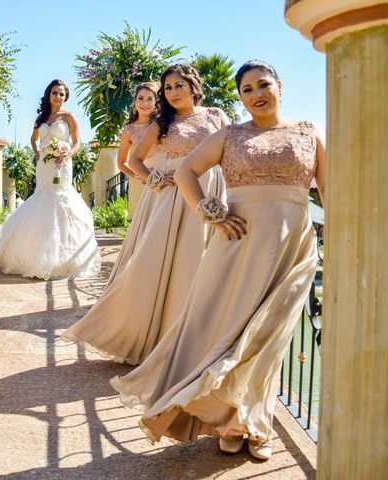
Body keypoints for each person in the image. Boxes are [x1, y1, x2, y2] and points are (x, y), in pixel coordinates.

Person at [111, 60, 326, 461]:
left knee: (268, 338)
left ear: (280, 86)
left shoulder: (309, 132)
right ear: (240, 96)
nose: (256, 95)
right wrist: (210, 212)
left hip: (293, 248)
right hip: (236, 244)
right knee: (229, 333)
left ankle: (255, 422)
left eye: (263, 85)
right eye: (246, 90)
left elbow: (331, 194)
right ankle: (233, 423)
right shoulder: (230, 135)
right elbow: (186, 172)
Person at [62, 65, 228, 365]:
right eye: (168, 88)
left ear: (193, 85)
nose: (174, 92)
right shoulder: (161, 123)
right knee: (178, 263)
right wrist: (155, 179)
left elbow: (230, 152)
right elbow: (135, 160)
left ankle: (203, 337)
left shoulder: (216, 115)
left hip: (213, 191)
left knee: (209, 262)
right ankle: (168, 339)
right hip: (175, 197)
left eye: (179, 85)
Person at [0, 79, 100, 279]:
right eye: (55, 93)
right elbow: (33, 139)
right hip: (44, 165)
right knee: (42, 197)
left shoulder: (69, 117)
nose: (58, 97)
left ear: (65, 97)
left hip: (62, 164)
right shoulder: (41, 118)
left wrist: (66, 155)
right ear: (49, 94)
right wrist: (39, 153)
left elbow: (77, 142)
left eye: (62, 94)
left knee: (60, 198)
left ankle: (64, 257)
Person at [106, 81, 158, 285]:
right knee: (145, 228)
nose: (144, 103)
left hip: (170, 177)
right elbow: (121, 162)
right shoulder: (129, 130)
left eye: (150, 99)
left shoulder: (164, 122)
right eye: (140, 99)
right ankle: (142, 276)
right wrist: (138, 176)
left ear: (156, 101)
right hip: (146, 183)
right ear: (134, 102)